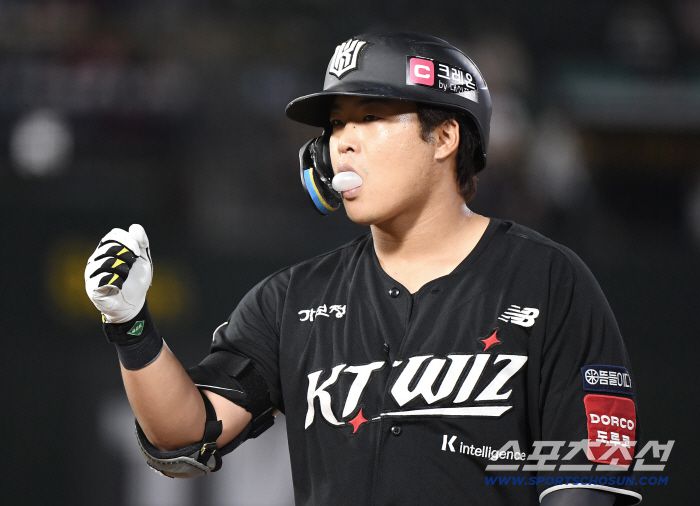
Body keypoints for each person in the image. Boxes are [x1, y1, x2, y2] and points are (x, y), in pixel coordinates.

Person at [85, 32, 641, 505]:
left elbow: (590, 477)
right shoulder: (292, 299)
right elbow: (186, 435)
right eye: (335, 124)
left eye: (369, 117)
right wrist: (131, 327)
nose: (341, 143)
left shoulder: (547, 280)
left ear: (445, 137)